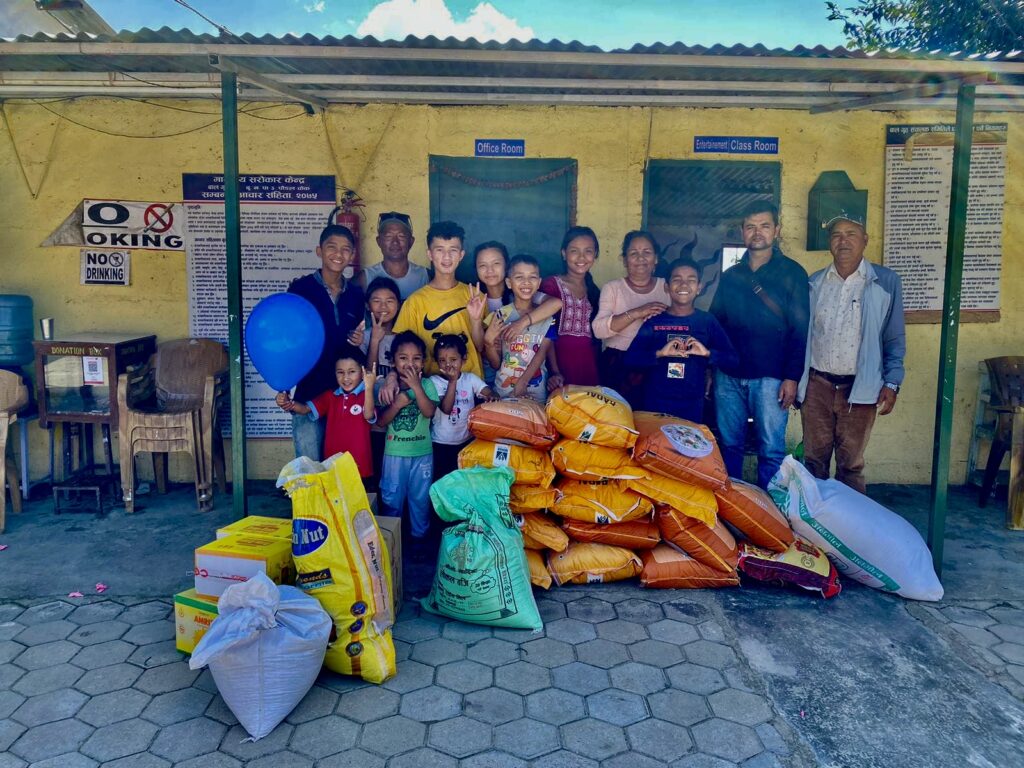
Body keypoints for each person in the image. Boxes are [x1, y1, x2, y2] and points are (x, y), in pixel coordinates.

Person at [797, 213, 906, 494]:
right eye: (836, 235)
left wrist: (892, 382)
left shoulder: (885, 282)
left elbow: (893, 337)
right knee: (813, 462)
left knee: (851, 466)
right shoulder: (815, 283)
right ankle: (813, 531)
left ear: (865, 240)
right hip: (817, 385)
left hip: (860, 388)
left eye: (851, 234)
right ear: (830, 244)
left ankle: (849, 532)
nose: (843, 240)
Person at [710, 201, 810, 488]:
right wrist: (710, 368)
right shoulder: (731, 276)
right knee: (729, 446)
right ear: (742, 232)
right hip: (728, 376)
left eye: (764, 226)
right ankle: (734, 514)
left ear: (776, 230)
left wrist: (792, 377)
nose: (757, 233)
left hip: (771, 377)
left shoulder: (793, 273)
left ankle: (770, 519)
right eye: (751, 226)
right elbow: (716, 324)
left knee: (771, 451)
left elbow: (800, 330)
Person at [286, 224, 365, 460]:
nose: (339, 254)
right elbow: (290, 335)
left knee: (340, 467)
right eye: (332, 247)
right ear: (319, 251)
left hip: (344, 393)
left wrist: (357, 340)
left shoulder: (355, 295)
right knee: (309, 464)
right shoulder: (301, 289)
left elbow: (354, 343)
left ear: (352, 256)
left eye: (346, 250)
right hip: (309, 388)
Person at [626, 260, 737, 423]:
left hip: (692, 404)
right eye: (677, 279)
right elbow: (630, 359)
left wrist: (707, 353)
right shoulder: (655, 322)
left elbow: (732, 359)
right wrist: (659, 354)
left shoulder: (707, 321)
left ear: (699, 287)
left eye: (691, 280)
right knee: (656, 447)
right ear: (667, 286)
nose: (684, 285)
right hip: (655, 403)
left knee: (687, 447)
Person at [391, 221, 487, 378]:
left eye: (453, 250)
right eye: (440, 250)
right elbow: (400, 351)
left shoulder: (475, 296)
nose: (447, 257)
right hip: (432, 390)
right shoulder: (415, 302)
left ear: (461, 255)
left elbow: (482, 347)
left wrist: (476, 321)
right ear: (429, 254)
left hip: (472, 387)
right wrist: (392, 378)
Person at [377, 331, 440, 557]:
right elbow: (381, 421)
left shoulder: (428, 384)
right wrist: (397, 404)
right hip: (394, 453)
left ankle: (418, 540)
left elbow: (429, 411)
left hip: (422, 453)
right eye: (403, 358)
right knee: (391, 497)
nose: (409, 363)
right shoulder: (387, 387)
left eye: (416, 358)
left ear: (423, 361)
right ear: (393, 361)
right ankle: (391, 540)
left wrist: (416, 388)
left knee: (420, 498)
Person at [274, 349, 377, 480]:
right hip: (332, 465)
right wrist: (289, 403)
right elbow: (305, 409)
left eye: (352, 372)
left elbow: (368, 415)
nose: (346, 378)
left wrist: (368, 388)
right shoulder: (331, 395)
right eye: (340, 372)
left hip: (359, 465)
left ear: (362, 373)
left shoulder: (366, 396)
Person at [593, 230, 668, 406]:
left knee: (651, 418)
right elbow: (598, 330)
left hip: (656, 364)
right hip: (618, 365)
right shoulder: (613, 288)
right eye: (633, 253)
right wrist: (637, 312)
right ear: (624, 259)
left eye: (647, 252)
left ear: (656, 258)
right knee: (618, 419)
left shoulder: (667, 287)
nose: (640, 258)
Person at [475, 241, 562, 387]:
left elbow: (556, 305)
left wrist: (521, 323)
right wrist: (477, 322)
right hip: (492, 380)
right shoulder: (477, 300)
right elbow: (482, 348)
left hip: (533, 383)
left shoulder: (530, 296)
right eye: (483, 265)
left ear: (506, 265)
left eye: (496, 263)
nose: (490, 270)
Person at [540, 226, 602, 387]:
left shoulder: (595, 292)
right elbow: (544, 332)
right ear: (563, 253)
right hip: (557, 366)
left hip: (588, 367)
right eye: (574, 250)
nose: (581, 257)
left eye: (588, 251)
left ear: (595, 254)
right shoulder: (551, 285)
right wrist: (553, 371)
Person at [430, 333, 494, 480]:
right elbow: (446, 409)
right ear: (436, 362)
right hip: (441, 444)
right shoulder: (435, 382)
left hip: (466, 443)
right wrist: (452, 382)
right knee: (443, 483)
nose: (448, 364)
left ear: (463, 359)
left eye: (453, 359)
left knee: (463, 482)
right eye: (442, 360)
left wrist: (491, 396)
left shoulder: (470, 379)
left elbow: (488, 392)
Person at [360, 275, 401, 489]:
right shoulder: (362, 337)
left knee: (395, 478)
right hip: (371, 421)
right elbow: (367, 373)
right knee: (374, 474)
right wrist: (375, 340)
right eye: (377, 300)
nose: (383, 306)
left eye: (390, 300)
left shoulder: (403, 336)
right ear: (368, 305)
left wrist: (393, 375)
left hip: (398, 423)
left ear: (399, 303)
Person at [359, 211, 429, 299]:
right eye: (388, 236)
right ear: (379, 241)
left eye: (401, 236)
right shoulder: (364, 279)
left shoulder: (426, 276)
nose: (395, 242)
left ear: (411, 241)